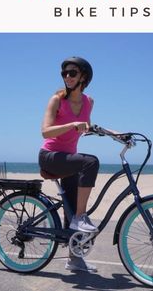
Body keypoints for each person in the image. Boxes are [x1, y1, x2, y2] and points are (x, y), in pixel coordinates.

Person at [38, 56, 99, 272]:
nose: (67, 77)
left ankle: (74, 259)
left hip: (69, 161)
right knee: (90, 162)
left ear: (83, 77)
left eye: (72, 73)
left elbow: (88, 127)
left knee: (70, 210)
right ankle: (81, 219)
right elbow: (45, 131)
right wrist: (71, 124)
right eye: (64, 73)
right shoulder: (57, 100)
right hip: (50, 156)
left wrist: (118, 135)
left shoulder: (88, 102)